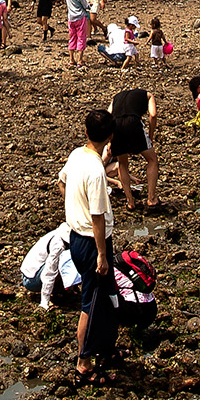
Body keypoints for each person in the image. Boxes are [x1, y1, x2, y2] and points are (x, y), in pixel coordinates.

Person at [59, 109, 118, 385]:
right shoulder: (95, 170)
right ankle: (83, 361)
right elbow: (97, 216)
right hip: (92, 241)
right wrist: (103, 255)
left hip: (76, 234)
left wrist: (73, 207)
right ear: (109, 136)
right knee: (90, 302)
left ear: (85, 133)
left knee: (105, 295)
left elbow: (62, 182)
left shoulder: (77, 156)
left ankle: (105, 349)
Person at [107, 88, 160, 211]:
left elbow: (108, 116)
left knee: (122, 163)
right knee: (152, 160)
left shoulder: (116, 97)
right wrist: (150, 136)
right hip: (133, 123)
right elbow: (153, 114)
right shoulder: (148, 95)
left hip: (116, 125)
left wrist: (110, 140)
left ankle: (130, 202)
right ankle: (151, 198)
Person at [20, 223, 75, 310]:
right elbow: (49, 274)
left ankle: (62, 289)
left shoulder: (58, 234)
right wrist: (44, 303)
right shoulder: (58, 246)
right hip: (31, 280)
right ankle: (58, 289)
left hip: (31, 273)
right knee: (65, 264)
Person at [66, 0, 93, 68]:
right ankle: (80, 60)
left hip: (71, 18)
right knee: (81, 38)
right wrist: (89, 6)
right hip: (80, 17)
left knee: (72, 37)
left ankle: (71, 59)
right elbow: (85, 5)